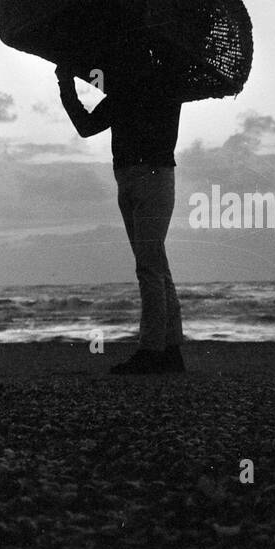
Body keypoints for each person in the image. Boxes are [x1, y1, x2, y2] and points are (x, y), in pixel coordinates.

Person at [56, 43, 186, 375]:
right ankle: (169, 349)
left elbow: (85, 126)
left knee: (150, 267)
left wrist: (66, 83)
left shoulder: (151, 87)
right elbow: (87, 126)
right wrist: (67, 83)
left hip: (150, 176)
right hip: (136, 177)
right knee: (156, 265)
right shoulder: (141, 88)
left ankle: (154, 350)